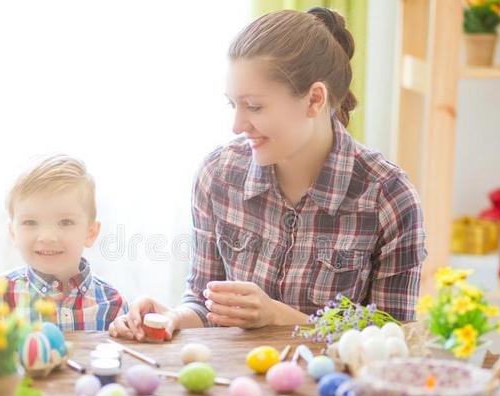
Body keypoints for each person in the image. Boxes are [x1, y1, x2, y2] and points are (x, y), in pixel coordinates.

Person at [110, 8, 425, 342]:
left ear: (314, 100)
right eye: (234, 105)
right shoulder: (218, 175)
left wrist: (279, 317)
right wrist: (170, 318)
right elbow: (206, 304)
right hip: (235, 386)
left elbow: (395, 340)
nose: (237, 125)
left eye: (255, 107)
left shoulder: (388, 196)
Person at [0, 155, 128, 331]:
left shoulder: (113, 306)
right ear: (13, 233)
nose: (47, 237)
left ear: (91, 232)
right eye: (30, 222)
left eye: (65, 222)